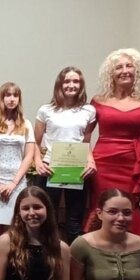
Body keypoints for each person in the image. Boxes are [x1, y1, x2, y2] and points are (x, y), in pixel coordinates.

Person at [84, 48, 140, 238]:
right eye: (119, 67)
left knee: (128, 205)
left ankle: (130, 248)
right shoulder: (98, 100)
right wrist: (89, 159)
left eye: (129, 66)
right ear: (111, 73)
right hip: (103, 163)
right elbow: (86, 134)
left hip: (133, 163)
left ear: (137, 71)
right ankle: (97, 246)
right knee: (102, 203)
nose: (124, 71)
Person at [34, 66, 97, 243]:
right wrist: (38, 162)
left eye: (76, 81)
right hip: (50, 168)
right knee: (47, 216)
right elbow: (35, 142)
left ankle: (73, 256)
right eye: (67, 81)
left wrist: (91, 161)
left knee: (74, 220)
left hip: (77, 169)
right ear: (60, 84)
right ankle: (48, 254)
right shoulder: (46, 110)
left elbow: (86, 142)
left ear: (81, 85)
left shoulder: (89, 111)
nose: (71, 85)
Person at [0, 82, 36, 242]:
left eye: (15, 95)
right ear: (1, 98)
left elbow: (29, 156)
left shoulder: (26, 124)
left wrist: (13, 183)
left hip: (16, 182)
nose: (11, 99)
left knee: (15, 228)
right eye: (8, 95)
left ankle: (11, 258)